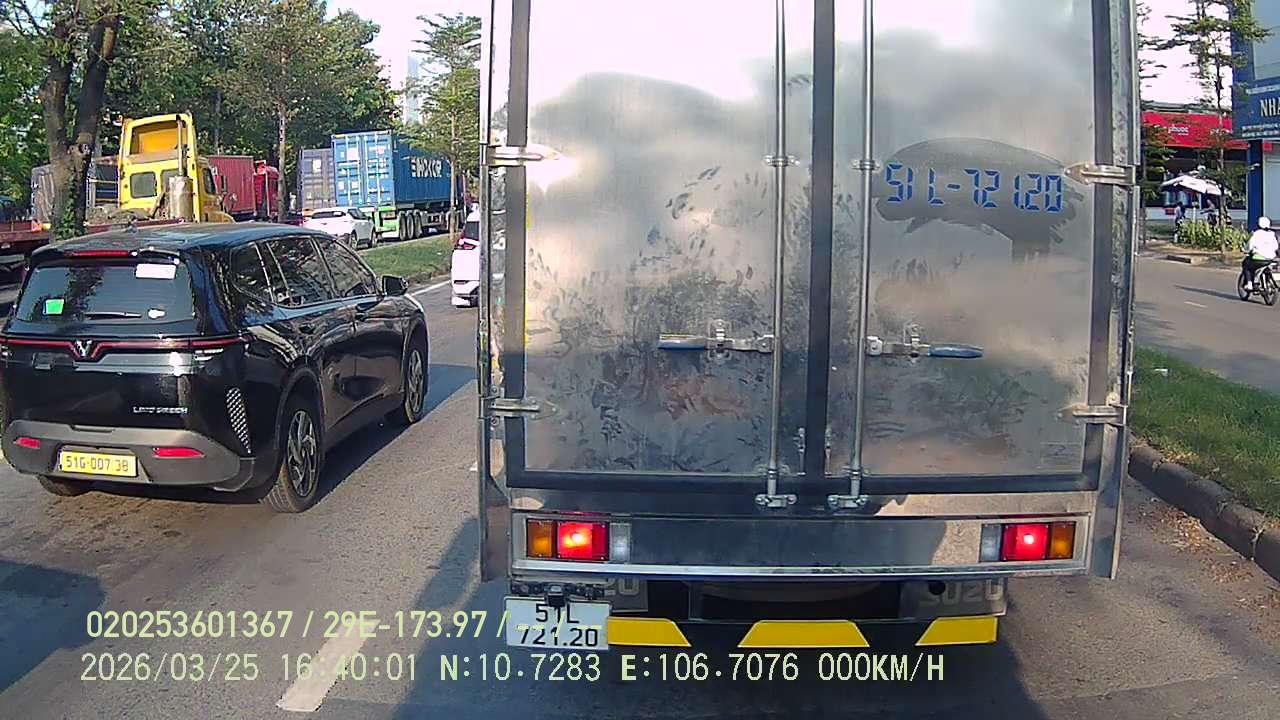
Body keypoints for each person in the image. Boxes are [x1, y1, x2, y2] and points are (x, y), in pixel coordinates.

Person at [1243, 216, 1279, 291]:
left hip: (1259, 258)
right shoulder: (1272, 234)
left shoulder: (1256, 234)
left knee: (1246, 265)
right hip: (1271, 259)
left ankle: (1249, 284)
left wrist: (1246, 250)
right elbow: (1276, 246)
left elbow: (1250, 246)